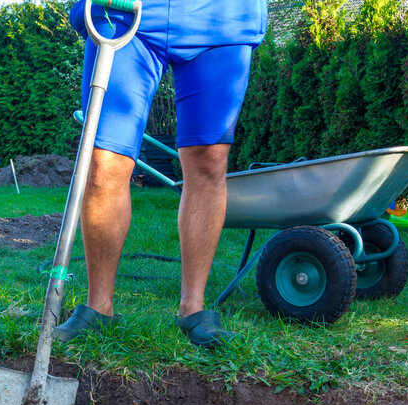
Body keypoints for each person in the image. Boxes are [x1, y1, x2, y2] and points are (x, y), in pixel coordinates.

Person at [54, 0, 268, 347]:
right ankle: (98, 308)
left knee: (209, 160)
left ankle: (193, 310)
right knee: (104, 161)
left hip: (221, 17)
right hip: (127, 12)